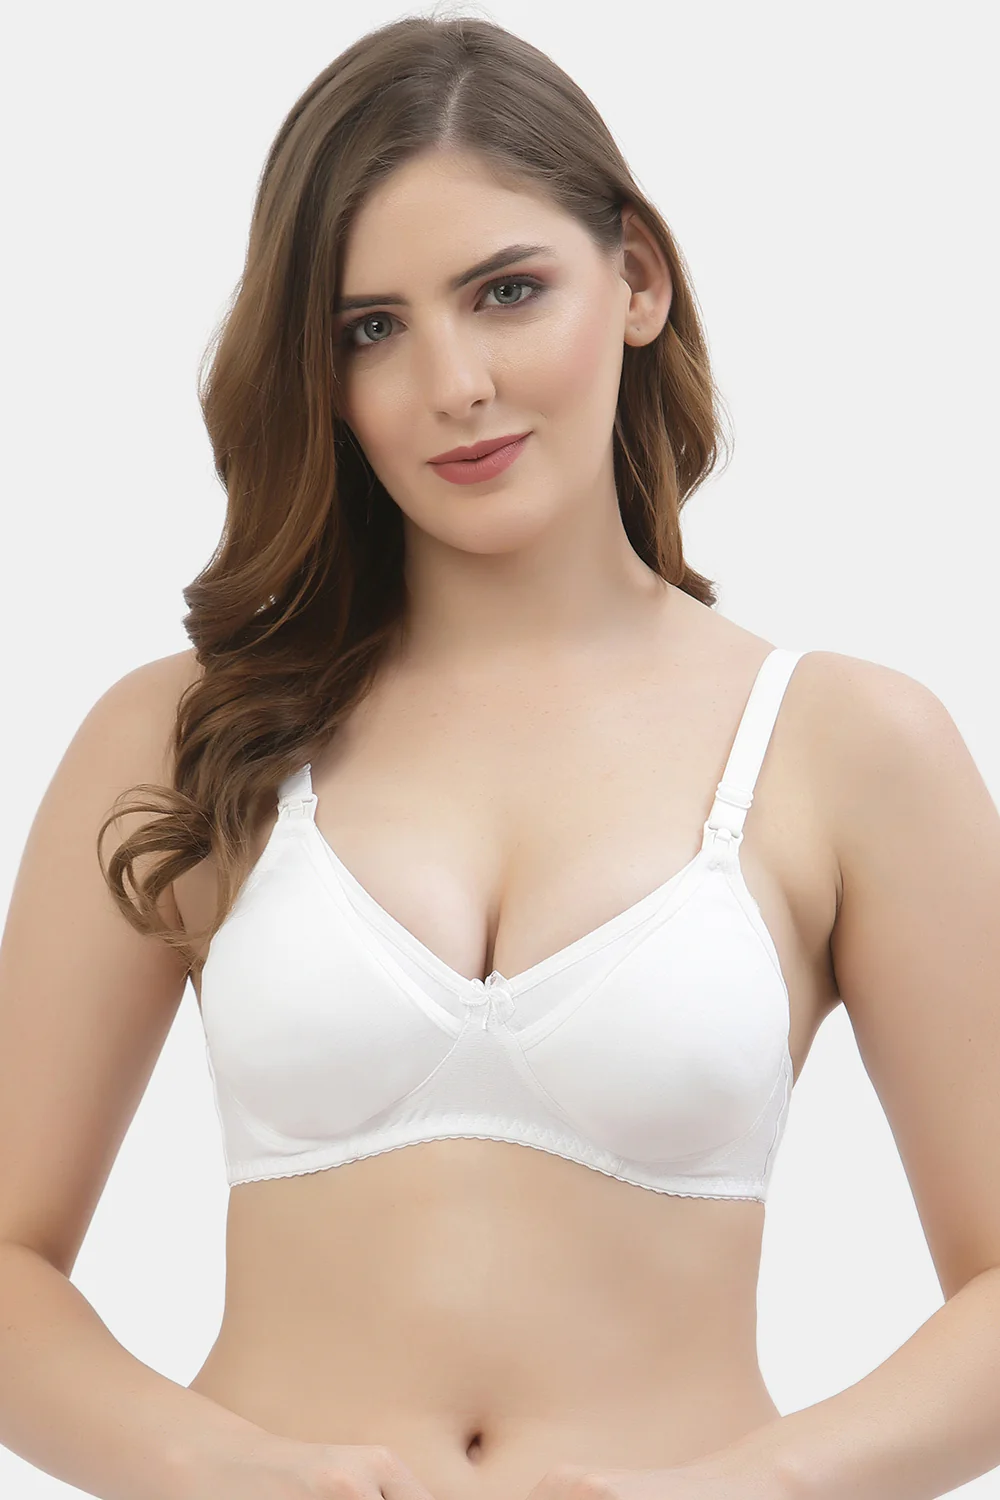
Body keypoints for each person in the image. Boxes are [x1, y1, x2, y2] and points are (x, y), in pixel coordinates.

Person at [2, 14, 999, 1500]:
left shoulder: (847, 746)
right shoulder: (185, 736)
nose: (454, 382)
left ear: (638, 279)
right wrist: (217, 1470)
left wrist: (737, 1493)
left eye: (507, 292)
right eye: (372, 328)